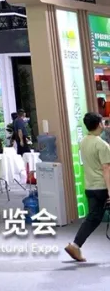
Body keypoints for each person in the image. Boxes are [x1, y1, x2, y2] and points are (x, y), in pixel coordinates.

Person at [65, 112, 110, 262]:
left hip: (90, 186)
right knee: (93, 218)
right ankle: (75, 245)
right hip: (102, 186)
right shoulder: (102, 145)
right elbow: (106, 169)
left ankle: (75, 245)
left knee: (93, 218)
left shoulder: (83, 141)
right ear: (99, 124)